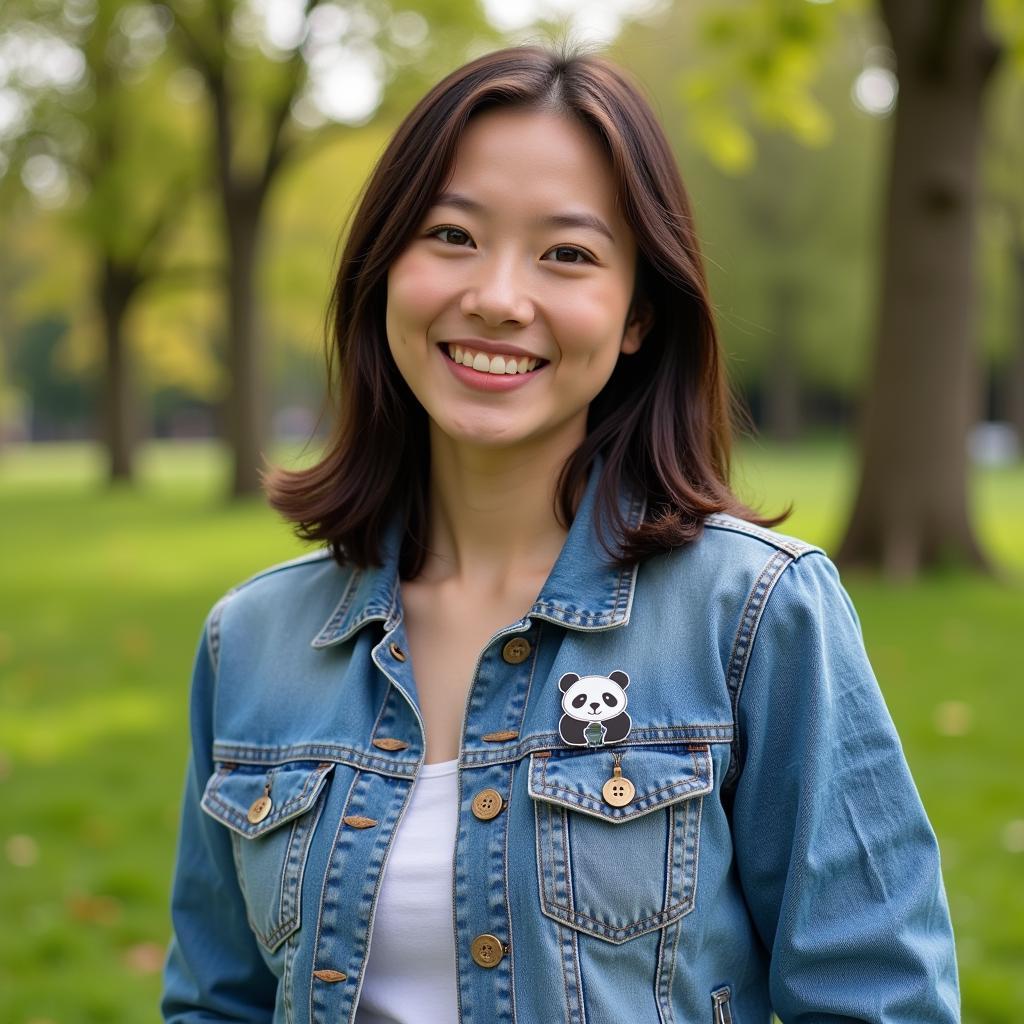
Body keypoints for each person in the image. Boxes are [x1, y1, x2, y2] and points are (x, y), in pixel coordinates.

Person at [160, 43, 959, 1024]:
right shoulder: (251, 641)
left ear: (636, 316)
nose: (498, 295)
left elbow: (877, 999)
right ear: (383, 270)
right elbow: (214, 1003)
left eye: (567, 253)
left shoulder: (755, 615)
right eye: (451, 235)